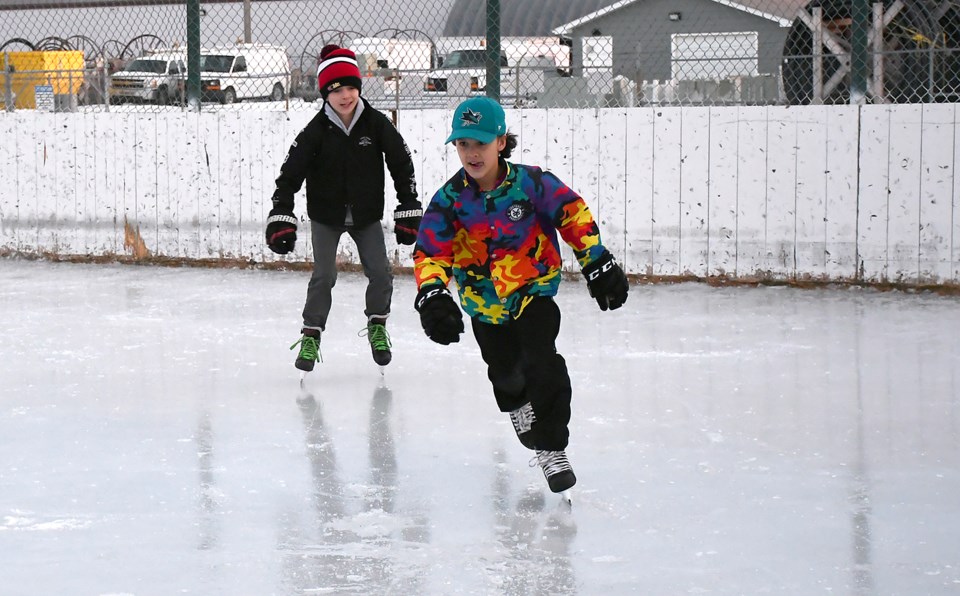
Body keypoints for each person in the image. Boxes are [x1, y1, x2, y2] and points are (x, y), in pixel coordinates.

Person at [412, 96, 629, 494]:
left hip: (533, 291)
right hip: (482, 304)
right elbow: (431, 250)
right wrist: (433, 294)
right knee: (507, 374)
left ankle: (551, 447)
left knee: (542, 362)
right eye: (463, 144)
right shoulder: (449, 201)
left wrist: (596, 260)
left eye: (479, 143)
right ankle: (516, 404)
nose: (472, 153)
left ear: (500, 141)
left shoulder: (532, 183)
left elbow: (572, 213)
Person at [265, 45, 421, 372]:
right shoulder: (315, 131)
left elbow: (401, 163)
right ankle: (311, 334)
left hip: (366, 217)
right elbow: (290, 173)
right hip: (326, 216)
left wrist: (408, 202)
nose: (345, 95)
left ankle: (377, 325)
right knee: (324, 275)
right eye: (337, 90)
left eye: (351, 87)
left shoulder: (376, 124)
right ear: (325, 93)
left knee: (381, 272)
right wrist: (282, 212)